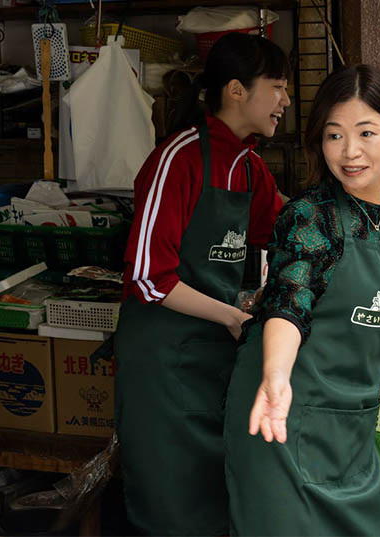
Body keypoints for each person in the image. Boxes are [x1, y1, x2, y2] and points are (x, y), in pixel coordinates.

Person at [224, 64, 380, 537]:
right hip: (283, 416)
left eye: (366, 133)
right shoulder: (308, 217)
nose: (350, 152)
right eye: (334, 135)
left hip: (349, 425)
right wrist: (275, 376)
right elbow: (289, 304)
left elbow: (373, 298)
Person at [115, 32, 290, 535]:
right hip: (163, 367)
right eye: (276, 86)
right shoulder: (179, 159)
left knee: (216, 503)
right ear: (236, 90)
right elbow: (149, 277)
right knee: (172, 506)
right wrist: (232, 315)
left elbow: (289, 235)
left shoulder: (250, 167)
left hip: (215, 362)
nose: (284, 101)